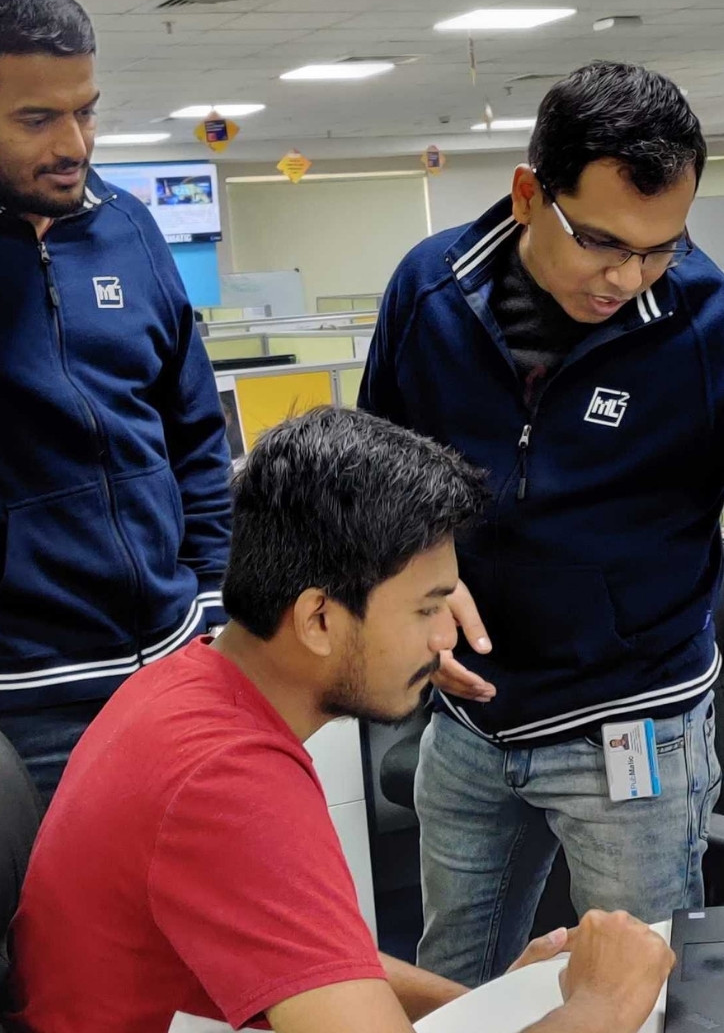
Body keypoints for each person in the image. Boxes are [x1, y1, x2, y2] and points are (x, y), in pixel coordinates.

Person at [4, 407, 674, 1033]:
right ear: (319, 619)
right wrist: (602, 1006)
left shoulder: (184, 687)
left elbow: (310, 955)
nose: (448, 637)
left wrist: (481, 1001)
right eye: (426, 608)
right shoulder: (228, 786)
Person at [359, 61, 724, 986]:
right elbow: (372, 476)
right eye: (603, 242)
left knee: (639, 993)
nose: (628, 276)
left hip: (632, 725)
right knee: (455, 980)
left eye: (661, 248)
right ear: (529, 195)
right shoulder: (431, 291)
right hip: (472, 717)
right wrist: (410, 595)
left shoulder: (702, 326)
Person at [0, 0, 231, 804]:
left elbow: (197, 438)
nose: (75, 144)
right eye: (37, 119)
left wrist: (210, 598)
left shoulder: (131, 230)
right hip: (27, 711)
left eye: (86, 110)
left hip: (174, 667)